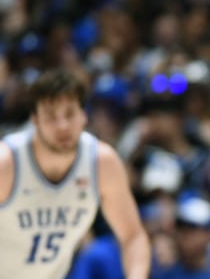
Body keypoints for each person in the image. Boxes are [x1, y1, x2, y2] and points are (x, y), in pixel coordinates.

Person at [0, 68, 151, 279]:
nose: (62, 125)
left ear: (84, 116)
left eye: (70, 114)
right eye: (51, 116)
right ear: (35, 120)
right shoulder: (6, 164)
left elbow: (133, 237)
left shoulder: (101, 163)